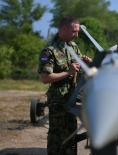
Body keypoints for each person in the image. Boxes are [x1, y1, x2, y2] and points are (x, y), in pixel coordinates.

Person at [38, 16, 91, 155]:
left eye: (78, 31)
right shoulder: (49, 51)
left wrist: (86, 63)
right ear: (63, 29)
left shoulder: (73, 46)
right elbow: (45, 78)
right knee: (57, 136)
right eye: (74, 31)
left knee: (71, 134)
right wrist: (68, 72)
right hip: (58, 101)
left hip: (71, 99)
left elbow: (79, 67)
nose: (77, 34)